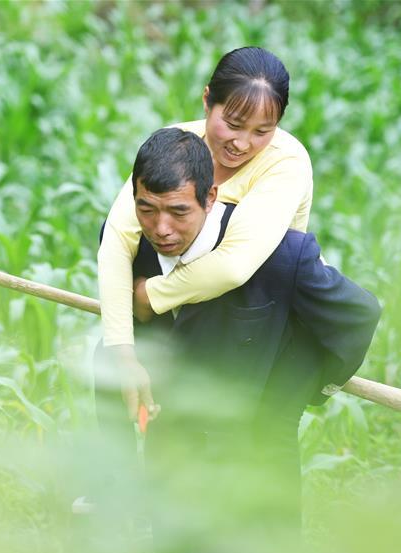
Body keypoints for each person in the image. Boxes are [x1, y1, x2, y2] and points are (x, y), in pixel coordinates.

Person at [93, 127, 381, 553]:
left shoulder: (279, 254)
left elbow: (356, 317)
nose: (161, 227)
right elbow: (121, 344)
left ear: (210, 197)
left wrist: (294, 397)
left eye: (178, 212)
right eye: (147, 208)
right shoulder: (129, 249)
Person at [98, 47, 314, 422]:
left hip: (252, 322)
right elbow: (117, 236)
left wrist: (151, 295)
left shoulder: (286, 163)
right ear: (206, 101)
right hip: (185, 318)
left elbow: (234, 266)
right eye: (232, 123)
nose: (242, 143)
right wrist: (123, 351)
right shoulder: (177, 145)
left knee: (254, 442)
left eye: (262, 131)